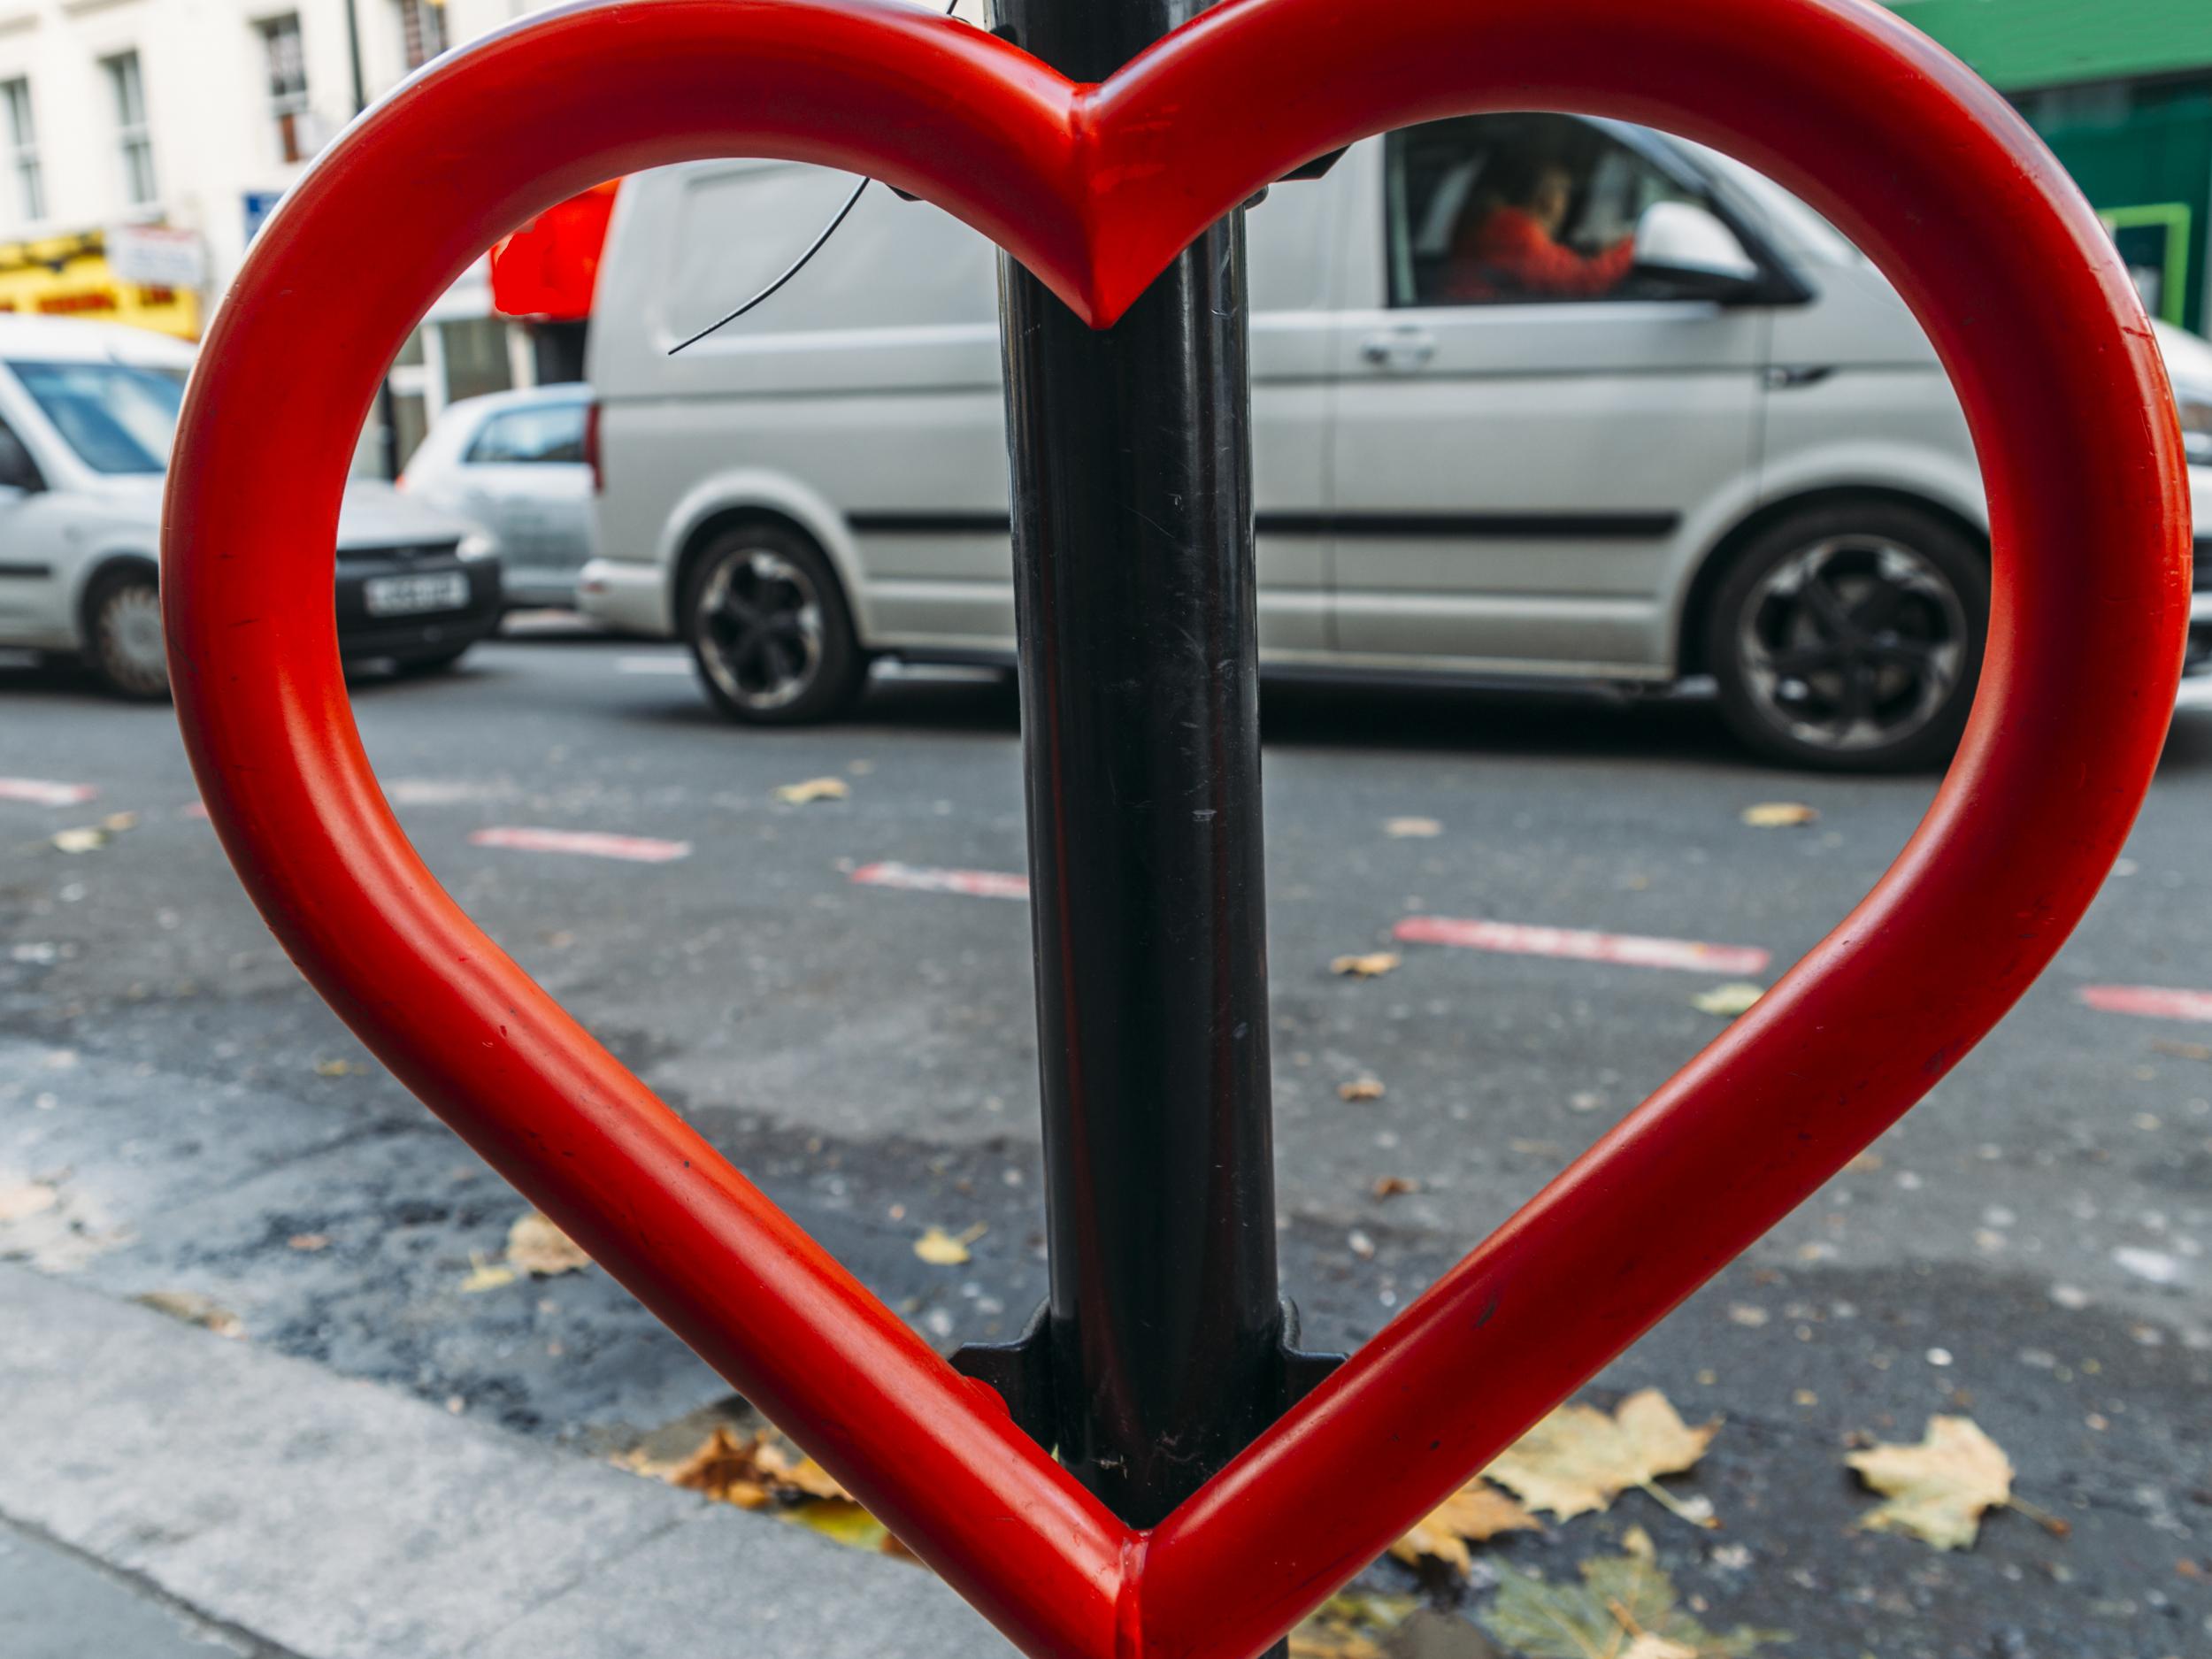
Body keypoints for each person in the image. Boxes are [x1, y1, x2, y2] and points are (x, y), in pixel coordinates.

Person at [1445, 151, 1634, 302]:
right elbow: (1580, 281)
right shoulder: (1513, 230)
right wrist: (1634, 247)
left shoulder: (1502, 226)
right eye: (1563, 191)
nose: (1566, 203)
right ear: (1547, 198)